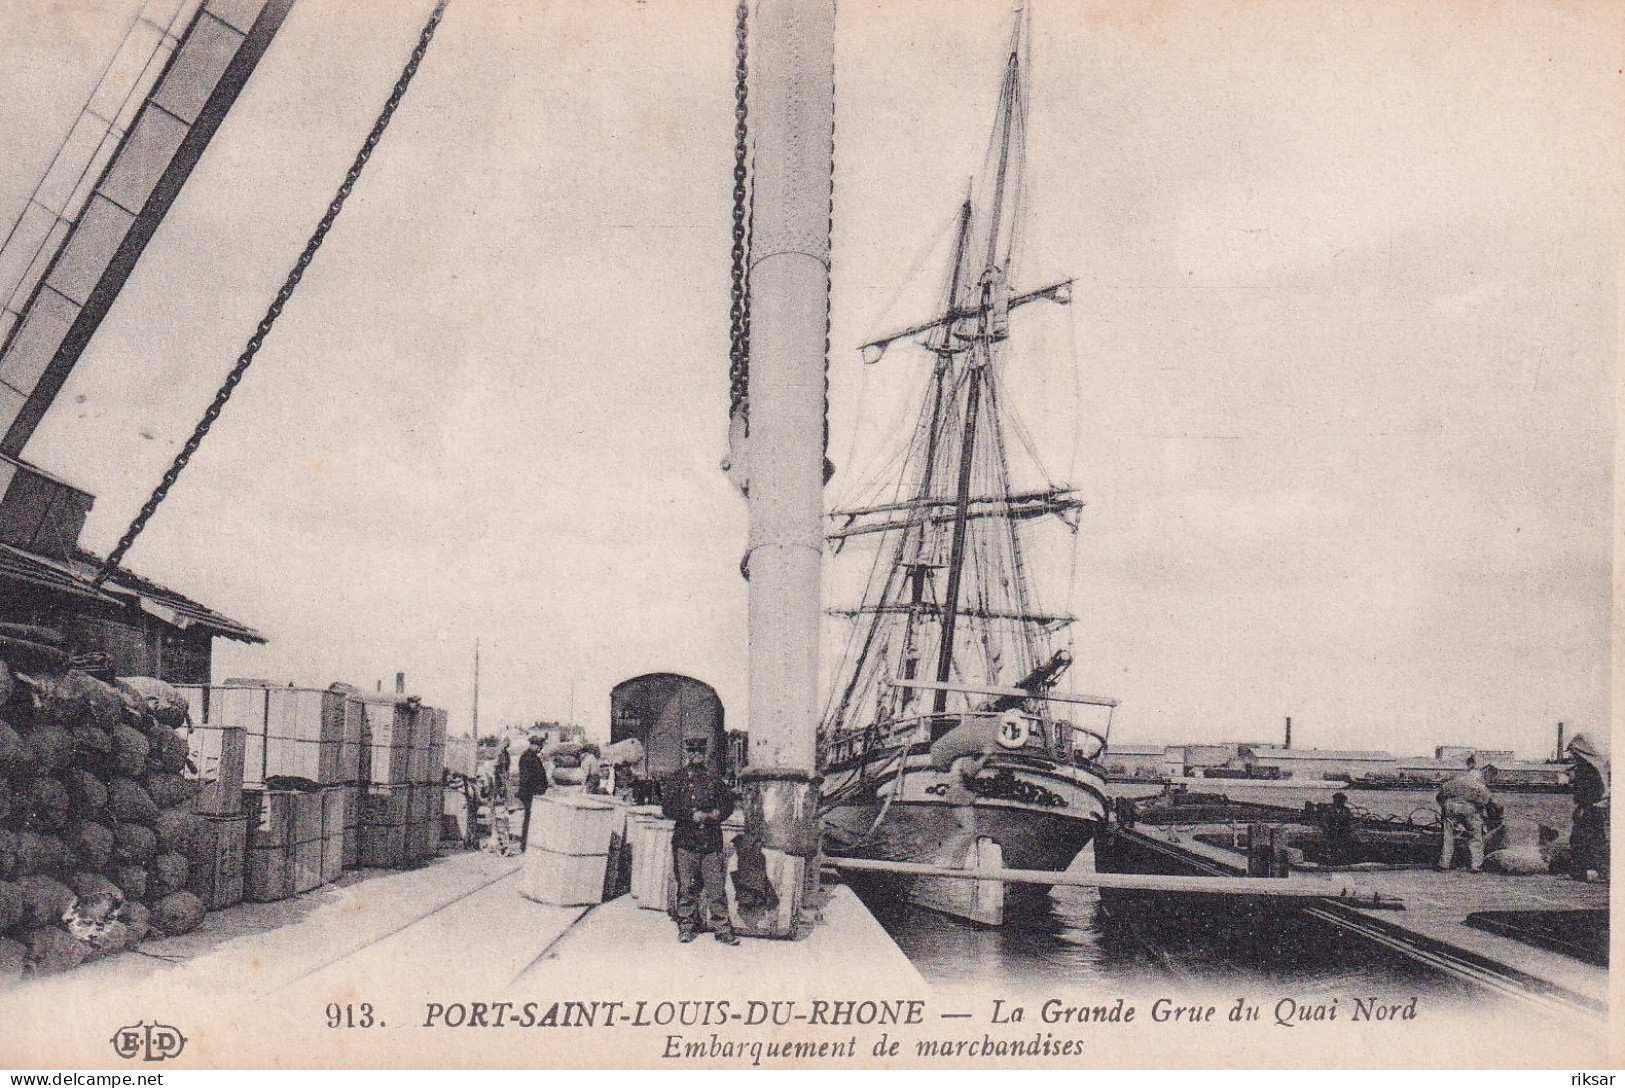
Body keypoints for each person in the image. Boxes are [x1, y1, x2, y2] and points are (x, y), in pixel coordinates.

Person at [662, 736, 738, 945]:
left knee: (716, 889)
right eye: (693, 751)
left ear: (705, 754)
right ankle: (686, 927)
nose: (697, 755)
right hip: (686, 842)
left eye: (700, 752)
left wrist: (718, 813)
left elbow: (728, 805)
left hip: (710, 842)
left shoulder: (714, 780)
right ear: (687, 753)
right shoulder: (677, 779)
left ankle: (722, 929)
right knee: (686, 888)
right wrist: (689, 815)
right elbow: (667, 808)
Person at [1437, 754, 1494, 873]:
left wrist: (1446, 807)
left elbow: (1440, 796)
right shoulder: (1480, 786)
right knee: (1476, 837)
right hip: (1469, 810)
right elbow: (1485, 801)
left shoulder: (1454, 781)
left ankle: (1444, 864)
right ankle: (1476, 865)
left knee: (1448, 837)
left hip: (1450, 807)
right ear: (1479, 772)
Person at [1566, 733, 1610, 882]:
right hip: (1587, 808)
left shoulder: (1590, 770)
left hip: (1592, 810)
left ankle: (1596, 872)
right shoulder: (1583, 768)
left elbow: (1596, 792)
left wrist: (1585, 807)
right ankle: (1584, 871)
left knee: (1590, 840)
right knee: (1579, 839)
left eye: (1573, 752)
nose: (1572, 755)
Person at [515, 734, 550, 852]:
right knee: (529, 818)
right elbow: (529, 778)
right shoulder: (529, 758)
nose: (540, 748)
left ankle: (527, 844)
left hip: (531, 793)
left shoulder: (531, 756)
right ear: (533, 745)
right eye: (538, 746)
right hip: (530, 793)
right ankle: (525, 845)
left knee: (530, 818)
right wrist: (538, 789)